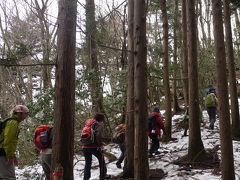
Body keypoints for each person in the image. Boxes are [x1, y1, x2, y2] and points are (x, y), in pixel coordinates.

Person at [0, 105, 29, 179]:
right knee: (9, 177)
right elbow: (8, 141)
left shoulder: (9, 121)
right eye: (25, 113)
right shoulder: (13, 123)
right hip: (3, 153)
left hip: (3, 152)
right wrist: (10, 156)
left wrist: (13, 156)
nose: (26, 115)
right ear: (19, 113)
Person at [82, 113, 110, 180]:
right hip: (93, 147)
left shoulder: (88, 124)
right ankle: (103, 176)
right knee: (101, 161)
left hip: (85, 146)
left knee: (88, 163)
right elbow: (98, 136)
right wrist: (100, 145)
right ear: (100, 119)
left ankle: (86, 178)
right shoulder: (98, 125)